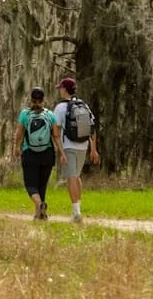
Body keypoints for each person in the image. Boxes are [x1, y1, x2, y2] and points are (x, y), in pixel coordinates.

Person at [51, 77, 99, 223]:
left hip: (69, 146)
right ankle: (78, 209)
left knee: (71, 177)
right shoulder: (83, 105)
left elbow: (56, 132)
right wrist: (93, 149)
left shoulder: (60, 108)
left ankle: (76, 213)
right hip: (83, 146)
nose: (59, 90)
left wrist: (61, 152)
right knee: (77, 176)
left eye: (60, 88)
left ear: (65, 89)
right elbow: (92, 129)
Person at [16, 86, 59, 220]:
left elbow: (19, 133)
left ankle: (40, 205)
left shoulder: (25, 114)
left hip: (30, 153)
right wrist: (61, 152)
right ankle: (41, 214)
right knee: (42, 185)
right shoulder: (50, 115)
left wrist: (17, 147)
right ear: (43, 99)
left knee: (31, 185)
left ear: (31, 99)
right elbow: (56, 135)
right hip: (47, 153)